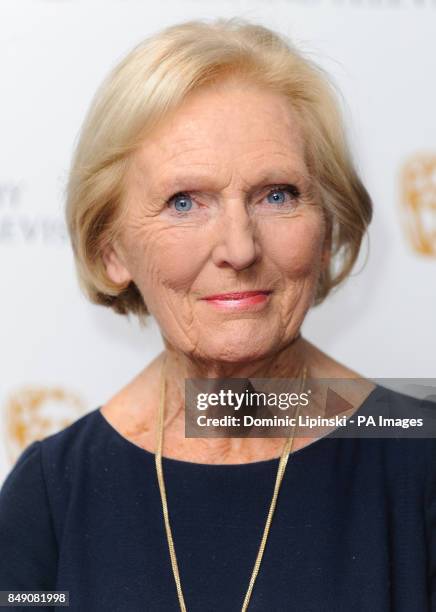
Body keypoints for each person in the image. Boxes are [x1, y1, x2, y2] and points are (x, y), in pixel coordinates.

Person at [0, 17, 435, 612]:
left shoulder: (420, 463)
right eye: (184, 202)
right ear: (112, 248)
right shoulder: (50, 497)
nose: (239, 247)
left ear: (328, 222)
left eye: (276, 195)